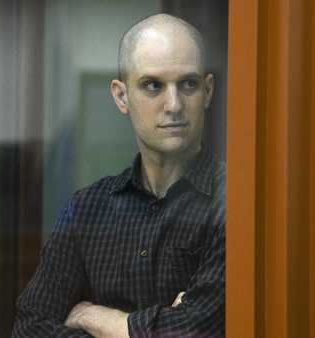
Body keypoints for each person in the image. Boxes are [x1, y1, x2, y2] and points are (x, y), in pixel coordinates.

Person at [13, 13, 225, 338]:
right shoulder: (87, 209)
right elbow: (29, 329)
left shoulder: (235, 201)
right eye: (153, 85)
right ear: (121, 96)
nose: (174, 104)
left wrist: (92, 316)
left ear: (208, 91)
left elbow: (195, 330)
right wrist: (159, 325)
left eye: (188, 84)